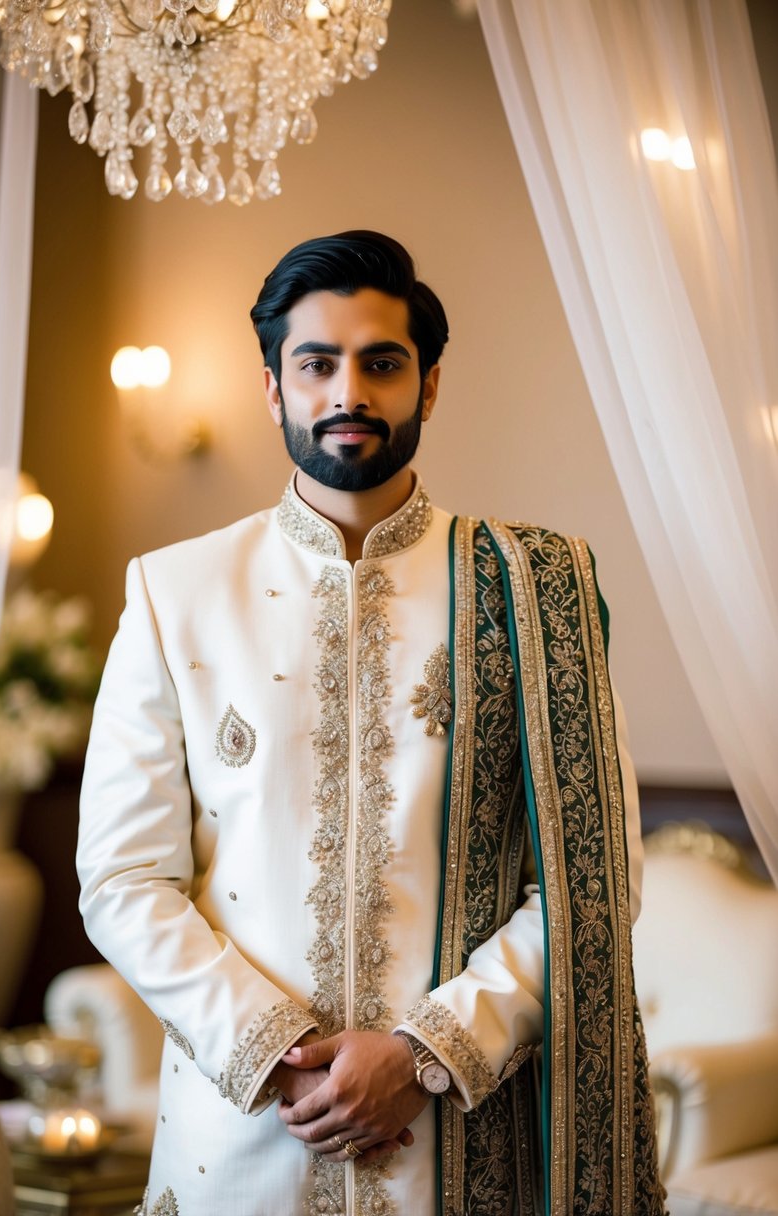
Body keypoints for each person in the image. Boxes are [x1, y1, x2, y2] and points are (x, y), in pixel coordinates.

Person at [77, 232, 665, 1216]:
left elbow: (594, 878)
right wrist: (276, 1053)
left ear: (428, 386)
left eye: (382, 362)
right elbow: (124, 875)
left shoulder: (529, 589)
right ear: (274, 389)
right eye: (316, 363)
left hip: (455, 1131)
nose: (348, 390)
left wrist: (422, 1052)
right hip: (244, 1134)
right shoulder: (173, 591)